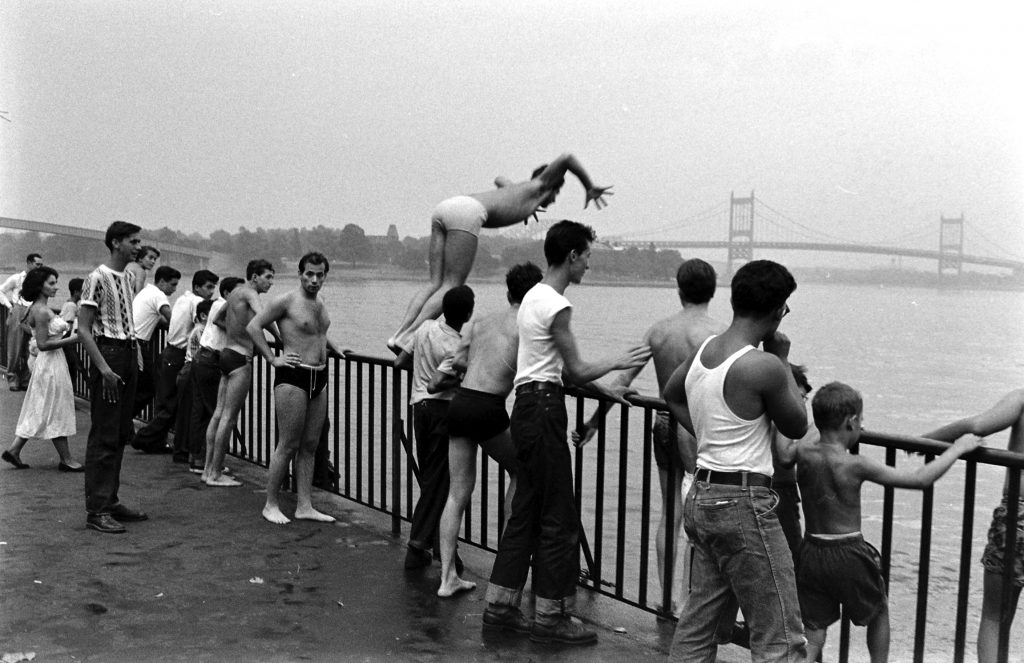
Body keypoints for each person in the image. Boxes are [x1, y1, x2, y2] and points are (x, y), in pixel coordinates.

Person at [483, 220, 650, 645]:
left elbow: (551, 372)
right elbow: (573, 369)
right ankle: (551, 616)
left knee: (525, 510)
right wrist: (617, 361)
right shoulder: (556, 304)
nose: (589, 265)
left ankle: (500, 607)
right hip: (543, 412)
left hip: (526, 406)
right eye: (588, 257)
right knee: (558, 516)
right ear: (572, 256)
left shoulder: (531, 299)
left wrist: (606, 390)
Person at [661, 259, 808, 662]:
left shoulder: (706, 349)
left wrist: (707, 433)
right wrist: (782, 360)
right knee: (780, 636)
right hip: (743, 505)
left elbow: (673, 395)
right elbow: (797, 425)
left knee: (698, 625)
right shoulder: (763, 366)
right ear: (778, 310)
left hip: (704, 497)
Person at [575, 258, 726, 614]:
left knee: (669, 513)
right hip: (695, 427)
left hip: (662, 421)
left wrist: (594, 424)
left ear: (679, 290)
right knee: (699, 516)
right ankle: (693, 606)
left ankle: (665, 601)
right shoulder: (717, 334)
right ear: (714, 290)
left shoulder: (658, 331)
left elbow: (620, 384)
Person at [797, 382, 981, 663]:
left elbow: (790, 450)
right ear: (851, 422)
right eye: (861, 421)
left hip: (811, 549)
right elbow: (920, 479)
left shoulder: (803, 455)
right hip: (848, 552)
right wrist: (957, 449)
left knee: (814, 631)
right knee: (879, 611)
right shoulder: (855, 465)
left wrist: (817, 425)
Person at [388, 153, 613, 355]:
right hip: (467, 213)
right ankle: (410, 338)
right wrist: (589, 186)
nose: (554, 199)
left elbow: (499, 178)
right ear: (551, 183)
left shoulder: (522, 191)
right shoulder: (540, 185)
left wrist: (517, 197)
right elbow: (567, 158)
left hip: (447, 207)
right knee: (452, 284)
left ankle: (399, 336)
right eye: (557, 192)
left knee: (434, 282)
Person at [435, 262, 543, 598]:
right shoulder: (526, 326)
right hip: (487, 407)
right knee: (523, 473)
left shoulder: (479, 320)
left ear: (509, 292)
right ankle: (510, 554)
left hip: (460, 402)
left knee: (457, 493)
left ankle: (446, 578)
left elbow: (458, 361)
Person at [923, 389, 1024, 663]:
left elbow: (976, 427)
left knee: (995, 616)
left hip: (1019, 513)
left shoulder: (1023, 398)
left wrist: (922, 442)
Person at [250, 252, 343, 524]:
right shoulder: (286, 301)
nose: (314, 280)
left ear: (325, 275)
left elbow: (318, 332)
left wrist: (334, 346)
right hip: (293, 375)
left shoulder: (320, 302)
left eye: (320, 275)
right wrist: (272, 358)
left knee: (310, 445)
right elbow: (254, 326)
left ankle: (305, 505)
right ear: (300, 274)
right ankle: (271, 504)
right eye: (309, 274)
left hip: (319, 376)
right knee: (288, 443)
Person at [397, 285, 475, 573]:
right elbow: (446, 381)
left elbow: (399, 360)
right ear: (467, 314)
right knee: (439, 481)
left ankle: (438, 547)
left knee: (432, 478)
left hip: (419, 408)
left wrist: (422, 370)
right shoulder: (457, 346)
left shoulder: (425, 328)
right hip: (443, 409)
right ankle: (419, 545)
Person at [78, 221, 146, 534]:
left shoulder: (128, 277)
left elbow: (127, 319)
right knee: (105, 433)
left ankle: (111, 499)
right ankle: (97, 510)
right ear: (116, 243)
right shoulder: (97, 277)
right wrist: (104, 367)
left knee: (121, 432)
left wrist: (136, 354)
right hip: (110, 354)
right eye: (133, 241)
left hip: (128, 352)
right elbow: (83, 328)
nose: (138, 246)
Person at [2, 267, 83, 471]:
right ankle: (66, 459)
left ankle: (14, 450)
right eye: (51, 283)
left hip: (47, 363)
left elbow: (27, 327)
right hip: (51, 363)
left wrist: (43, 338)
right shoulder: (42, 311)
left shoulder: (34, 308)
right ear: (40, 286)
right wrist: (73, 338)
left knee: (41, 406)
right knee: (55, 406)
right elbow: (44, 344)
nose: (56, 287)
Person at [131, 269, 218, 456]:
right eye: (208, 287)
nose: (211, 292)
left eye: (213, 288)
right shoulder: (197, 303)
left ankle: (156, 441)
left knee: (166, 402)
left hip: (168, 352)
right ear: (197, 287)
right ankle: (144, 438)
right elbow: (206, 328)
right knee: (175, 405)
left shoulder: (182, 299)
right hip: (179, 355)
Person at [206, 260, 276, 487]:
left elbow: (217, 319)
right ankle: (216, 474)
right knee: (228, 418)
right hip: (241, 359)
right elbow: (263, 317)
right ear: (254, 277)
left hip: (226, 352)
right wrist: (279, 341)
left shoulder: (235, 292)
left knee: (218, 414)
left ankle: (208, 470)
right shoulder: (250, 294)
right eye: (268, 277)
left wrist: (236, 330)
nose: (271, 282)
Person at [189, 276, 244, 475]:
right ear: (228, 293)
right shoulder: (228, 305)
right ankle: (212, 464)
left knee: (202, 412)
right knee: (216, 413)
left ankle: (197, 458)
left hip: (202, 357)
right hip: (212, 359)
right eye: (239, 291)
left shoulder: (217, 304)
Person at [131, 265, 181, 418]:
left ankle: (124, 424)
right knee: (149, 387)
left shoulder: (147, 291)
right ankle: (125, 422)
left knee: (137, 387)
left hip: (132, 340)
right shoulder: (159, 295)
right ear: (161, 282)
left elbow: (159, 319)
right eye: (172, 284)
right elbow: (172, 320)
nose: (174, 289)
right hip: (139, 343)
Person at [1, 253, 44, 390]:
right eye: (37, 264)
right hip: (18, 310)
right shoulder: (17, 278)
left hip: (32, 310)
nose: (39, 267)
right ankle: (12, 376)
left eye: (41, 265)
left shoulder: (39, 280)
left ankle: (26, 378)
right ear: (29, 263)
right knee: (15, 346)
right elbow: (1, 291)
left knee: (30, 346)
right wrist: (9, 306)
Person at [60, 278, 85, 383]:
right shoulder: (71, 306)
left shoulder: (68, 303)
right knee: (72, 370)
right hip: (67, 343)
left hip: (64, 342)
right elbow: (68, 327)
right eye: (82, 291)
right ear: (76, 292)